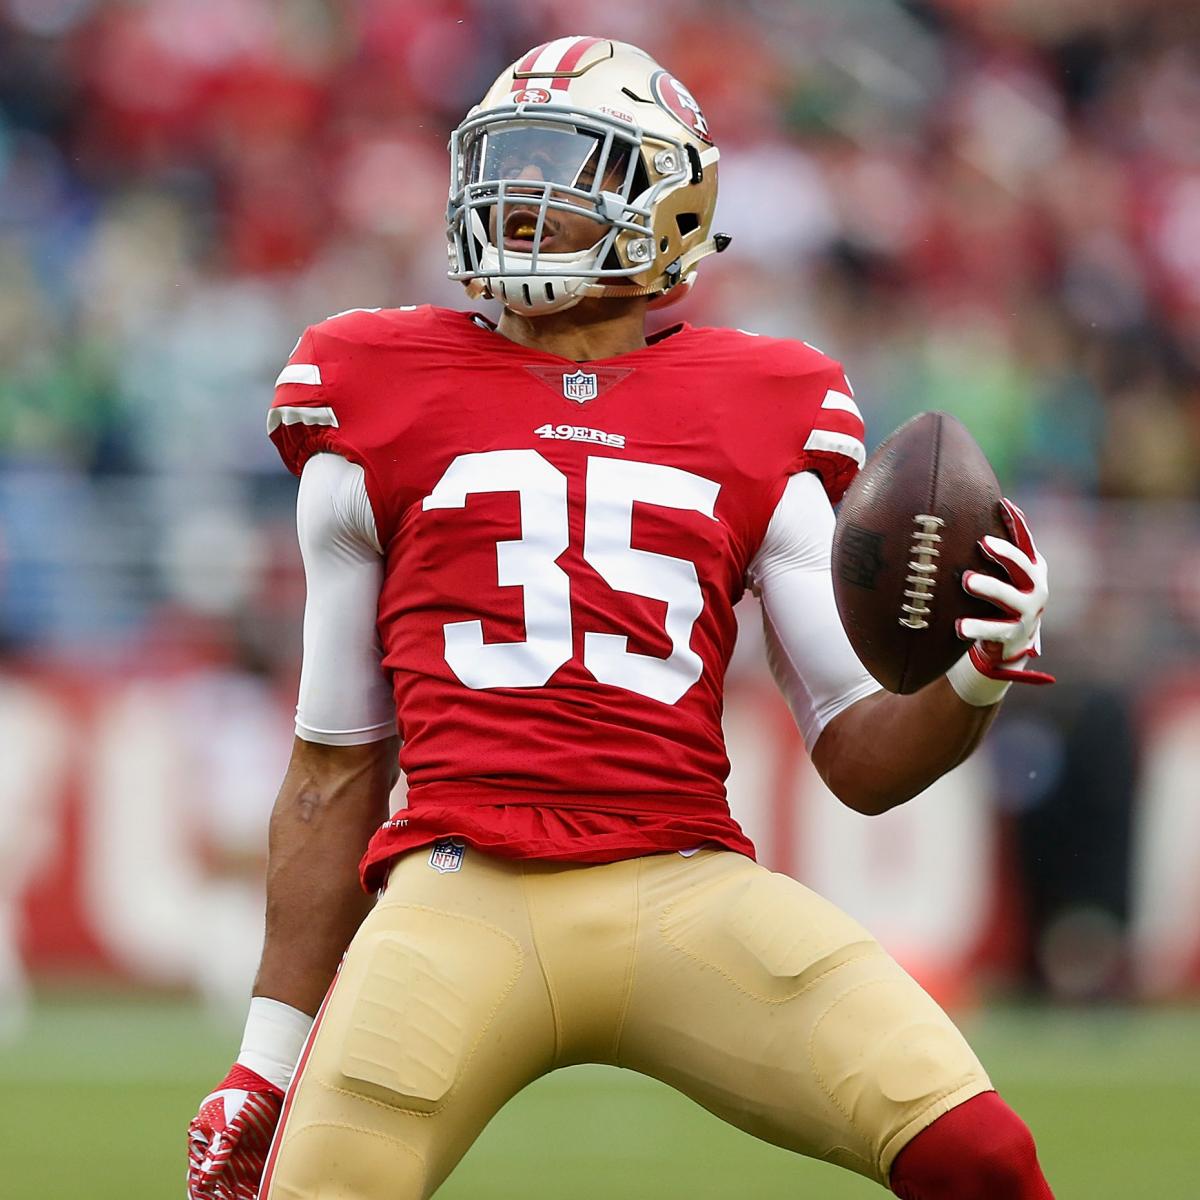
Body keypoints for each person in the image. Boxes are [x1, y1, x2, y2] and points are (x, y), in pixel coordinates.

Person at [186, 37, 1055, 1200]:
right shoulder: (372, 383)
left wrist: (982, 669)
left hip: (681, 881)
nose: (519, 197)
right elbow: (334, 765)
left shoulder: (767, 403)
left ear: (674, 200)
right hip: (458, 892)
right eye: (502, 163)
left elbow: (859, 755)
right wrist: (264, 1065)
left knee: (984, 1157)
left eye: (565, 164)